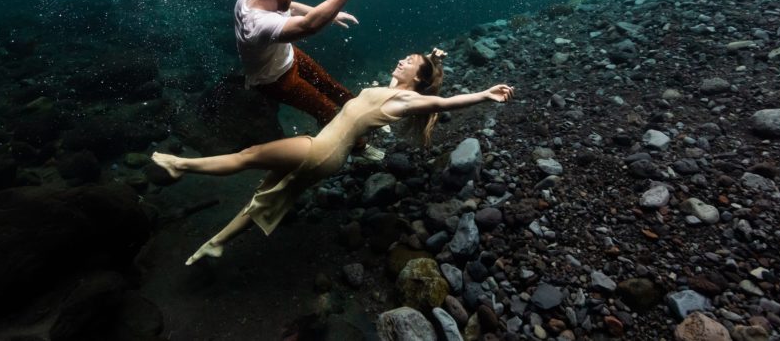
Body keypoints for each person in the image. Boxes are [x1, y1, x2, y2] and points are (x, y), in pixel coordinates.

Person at [151, 49, 514, 264]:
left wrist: (484, 95)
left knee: (250, 155)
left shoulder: (409, 99)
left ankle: (180, 164)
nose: (402, 60)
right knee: (269, 194)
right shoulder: (395, 89)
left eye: (409, 62)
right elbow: (416, 82)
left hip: (323, 149)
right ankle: (216, 243)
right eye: (405, 58)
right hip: (327, 154)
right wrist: (433, 59)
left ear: (416, 80)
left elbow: (443, 101)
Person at [234, 0, 389, 160]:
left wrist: (330, 14)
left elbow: (291, 6)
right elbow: (309, 26)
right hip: (274, 79)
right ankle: (359, 147)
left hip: (288, 55)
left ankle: (368, 117)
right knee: (326, 109)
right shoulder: (257, 25)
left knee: (334, 88)